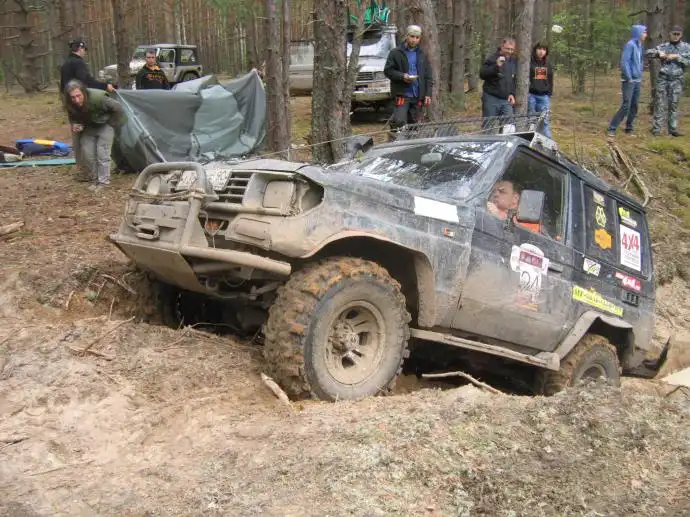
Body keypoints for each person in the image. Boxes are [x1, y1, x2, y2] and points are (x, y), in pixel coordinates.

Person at [60, 38, 114, 181]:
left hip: (71, 103)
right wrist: (105, 86)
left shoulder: (66, 64)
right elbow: (86, 81)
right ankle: (87, 171)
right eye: (84, 49)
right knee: (85, 138)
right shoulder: (78, 63)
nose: (84, 52)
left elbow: (63, 86)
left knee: (77, 137)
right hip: (81, 103)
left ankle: (82, 169)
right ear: (80, 49)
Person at [63, 80, 126, 191]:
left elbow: (118, 108)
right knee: (88, 155)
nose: (76, 100)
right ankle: (95, 180)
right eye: (73, 97)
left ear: (83, 92)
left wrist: (111, 124)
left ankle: (103, 182)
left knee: (102, 154)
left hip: (105, 124)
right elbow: (73, 120)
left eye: (78, 96)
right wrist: (77, 126)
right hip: (89, 127)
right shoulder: (70, 104)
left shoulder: (98, 98)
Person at [384, 25, 433, 137]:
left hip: (417, 96)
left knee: (414, 126)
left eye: (417, 37)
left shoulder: (422, 54)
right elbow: (388, 71)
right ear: (407, 36)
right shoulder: (396, 52)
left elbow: (428, 76)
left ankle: (412, 145)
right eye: (412, 36)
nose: (414, 40)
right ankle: (396, 144)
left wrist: (428, 94)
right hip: (402, 95)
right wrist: (402, 76)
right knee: (400, 123)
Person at [647, 26, 690, 137]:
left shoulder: (686, 47)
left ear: (681, 35)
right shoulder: (664, 46)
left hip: (677, 79)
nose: (675, 36)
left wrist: (677, 57)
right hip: (663, 78)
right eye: (673, 34)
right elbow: (648, 52)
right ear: (669, 34)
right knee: (660, 103)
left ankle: (672, 129)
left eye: (677, 34)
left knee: (674, 104)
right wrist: (658, 53)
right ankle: (657, 129)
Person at [607, 25, 647, 137]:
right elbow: (624, 62)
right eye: (644, 32)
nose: (646, 34)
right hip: (629, 80)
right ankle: (612, 128)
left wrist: (639, 73)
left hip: (637, 80)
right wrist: (629, 77)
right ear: (639, 33)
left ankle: (629, 128)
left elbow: (639, 61)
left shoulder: (640, 45)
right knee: (626, 105)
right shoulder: (630, 45)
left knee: (634, 105)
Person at [480, 39, 518, 130]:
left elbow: (513, 79)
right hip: (491, 97)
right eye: (507, 49)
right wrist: (496, 66)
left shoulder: (513, 61)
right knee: (489, 127)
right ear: (502, 46)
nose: (510, 51)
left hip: (506, 99)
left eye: (512, 49)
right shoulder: (492, 58)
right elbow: (482, 74)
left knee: (509, 128)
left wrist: (512, 93)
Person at [528, 42, 554, 139]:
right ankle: (530, 139)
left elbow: (550, 80)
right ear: (535, 50)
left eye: (544, 49)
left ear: (546, 52)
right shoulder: (529, 62)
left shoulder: (547, 64)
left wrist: (549, 93)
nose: (541, 51)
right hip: (531, 95)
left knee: (544, 120)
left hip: (543, 96)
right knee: (531, 119)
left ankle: (548, 140)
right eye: (539, 49)